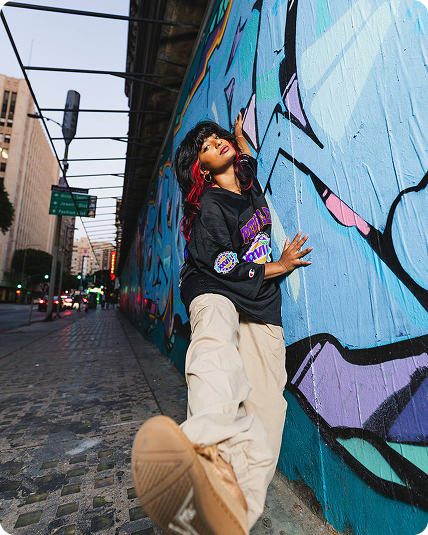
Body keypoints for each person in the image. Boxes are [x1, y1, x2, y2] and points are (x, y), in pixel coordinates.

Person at [131, 113, 312, 535]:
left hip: (260, 304)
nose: (216, 143)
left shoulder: (246, 182)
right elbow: (223, 267)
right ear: (202, 170)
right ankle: (206, 452)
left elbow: (247, 161)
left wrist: (239, 137)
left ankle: (231, 511)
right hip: (212, 285)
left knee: (269, 411)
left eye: (216, 138)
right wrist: (281, 266)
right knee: (215, 347)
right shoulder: (211, 206)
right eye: (207, 147)